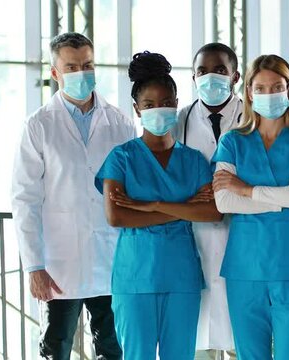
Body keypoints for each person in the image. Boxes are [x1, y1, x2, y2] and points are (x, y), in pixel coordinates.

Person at [12, 32, 133, 360]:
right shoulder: (39, 125)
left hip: (112, 260)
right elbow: (25, 199)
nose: (82, 73)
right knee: (56, 348)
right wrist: (34, 265)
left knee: (113, 348)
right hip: (58, 264)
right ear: (55, 73)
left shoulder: (120, 122)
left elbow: (132, 191)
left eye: (88, 64)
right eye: (72, 66)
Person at [95, 51, 222, 359]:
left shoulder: (193, 160)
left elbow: (212, 212)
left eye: (166, 102)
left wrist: (149, 205)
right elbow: (117, 216)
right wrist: (182, 207)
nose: (159, 110)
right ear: (137, 109)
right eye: (150, 105)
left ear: (176, 105)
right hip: (135, 277)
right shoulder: (121, 157)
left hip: (182, 277)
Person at [211, 54, 289, 360]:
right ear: (248, 92)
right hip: (244, 267)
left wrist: (247, 190)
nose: (269, 93)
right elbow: (224, 200)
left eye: (276, 86)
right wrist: (284, 198)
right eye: (260, 88)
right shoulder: (232, 141)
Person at [174, 42, 242, 360]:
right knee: (199, 347)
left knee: (245, 343)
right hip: (194, 248)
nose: (210, 78)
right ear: (193, 76)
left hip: (244, 245)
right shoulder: (177, 122)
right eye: (202, 71)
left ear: (236, 76)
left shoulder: (253, 118)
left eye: (220, 70)